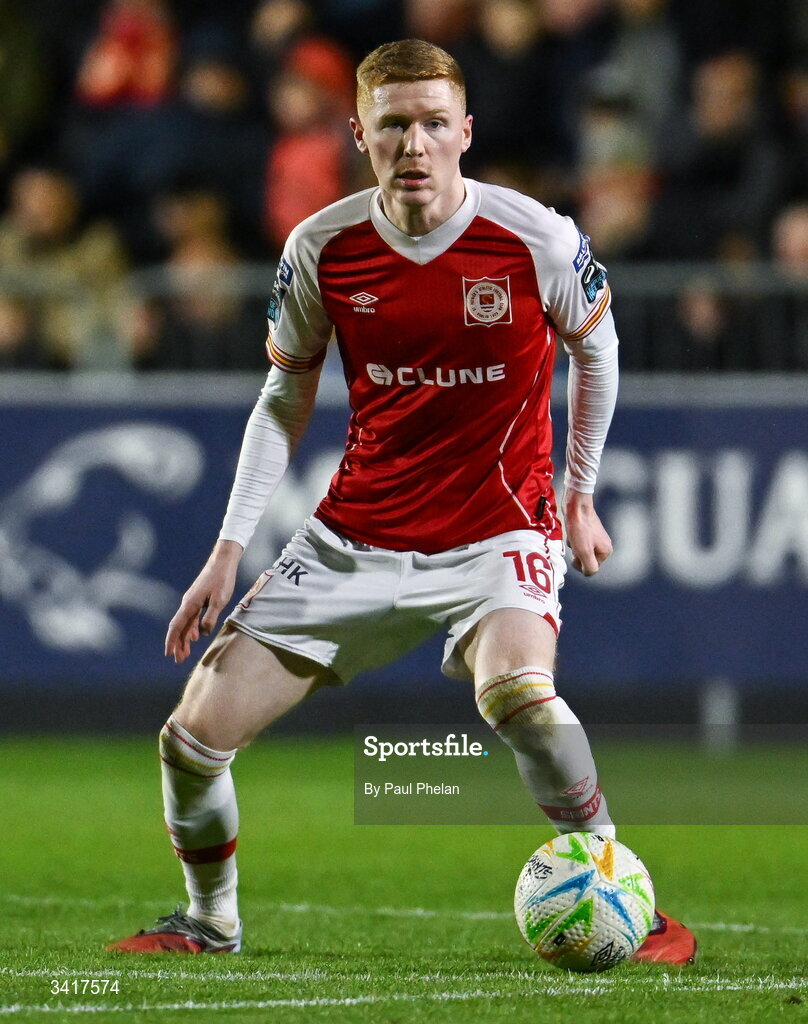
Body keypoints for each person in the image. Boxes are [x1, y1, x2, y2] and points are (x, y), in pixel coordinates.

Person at [108, 38, 696, 965]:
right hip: (354, 536)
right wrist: (227, 549)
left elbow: (600, 349)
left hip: (498, 528)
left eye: (432, 123)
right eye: (393, 126)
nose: (414, 144)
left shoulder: (536, 237)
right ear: (360, 135)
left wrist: (578, 495)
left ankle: (630, 898)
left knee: (522, 698)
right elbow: (282, 398)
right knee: (190, 741)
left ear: (466, 131)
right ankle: (210, 921)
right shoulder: (322, 248)